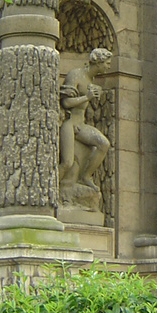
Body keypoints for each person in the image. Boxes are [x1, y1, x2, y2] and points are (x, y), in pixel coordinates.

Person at [59, 47, 112, 203]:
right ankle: (51, 189)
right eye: (107, 63)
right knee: (68, 162)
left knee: (104, 144)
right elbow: (66, 102)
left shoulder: (91, 80)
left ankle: (86, 176)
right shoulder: (76, 74)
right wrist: (87, 97)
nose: (109, 67)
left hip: (80, 125)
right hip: (69, 124)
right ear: (99, 62)